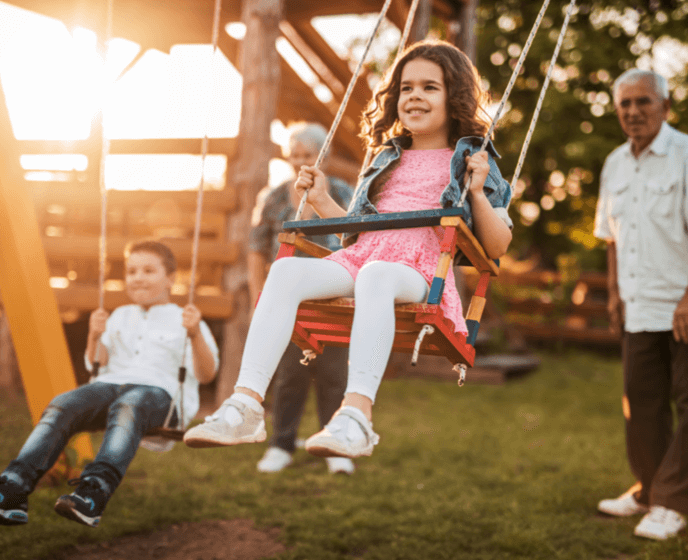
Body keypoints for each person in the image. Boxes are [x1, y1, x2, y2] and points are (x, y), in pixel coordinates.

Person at [184, 40, 513, 459]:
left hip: (420, 269)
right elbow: (356, 232)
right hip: (363, 258)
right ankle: (245, 405)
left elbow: (497, 244)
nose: (414, 96)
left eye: (430, 87)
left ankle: (356, 415)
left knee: (377, 275)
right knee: (285, 271)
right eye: (406, 87)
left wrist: (478, 191)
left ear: (455, 96)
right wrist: (322, 200)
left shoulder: (472, 159)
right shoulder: (384, 158)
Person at [0, 240, 219, 528]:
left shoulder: (186, 319)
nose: (138, 277)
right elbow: (97, 364)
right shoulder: (120, 315)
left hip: (159, 394)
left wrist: (194, 334)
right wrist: (94, 335)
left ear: (170, 278)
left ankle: (93, 493)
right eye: (132, 271)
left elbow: (206, 374)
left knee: (130, 404)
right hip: (111, 384)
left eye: (149, 270)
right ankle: (12, 488)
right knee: (64, 403)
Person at [593, 68, 688, 541]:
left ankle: (675, 503)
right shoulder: (614, 164)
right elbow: (611, 238)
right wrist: (615, 293)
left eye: (644, 102)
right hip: (640, 304)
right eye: (625, 103)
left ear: (666, 107)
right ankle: (650, 490)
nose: (633, 111)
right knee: (641, 402)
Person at [249, 122, 355, 474]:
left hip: (334, 297)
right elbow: (255, 248)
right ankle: (281, 445)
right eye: (294, 155)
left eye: (307, 155)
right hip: (287, 302)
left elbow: (357, 241)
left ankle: (335, 446)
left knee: (334, 374)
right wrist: (258, 298)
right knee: (290, 374)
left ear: (324, 156)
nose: (299, 162)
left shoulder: (343, 192)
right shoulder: (275, 197)